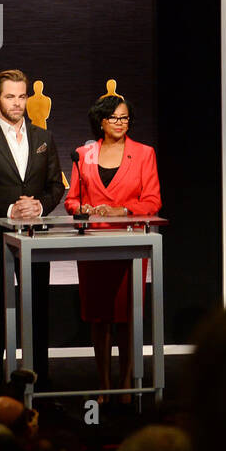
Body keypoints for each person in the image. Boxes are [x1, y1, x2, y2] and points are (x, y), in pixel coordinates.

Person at [0, 69, 64, 392]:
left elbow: (55, 187)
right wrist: (9, 211)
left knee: (37, 314)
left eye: (22, 96)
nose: (17, 103)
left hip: (37, 239)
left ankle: (39, 386)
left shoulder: (44, 139)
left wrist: (39, 207)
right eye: (10, 96)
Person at [63, 94, 161, 403]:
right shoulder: (84, 154)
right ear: (101, 122)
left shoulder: (144, 153)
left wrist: (124, 211)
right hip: (94, 245)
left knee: (127, 316)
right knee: (99, 317)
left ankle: (127, 386)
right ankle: (104, 386)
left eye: (125, 118)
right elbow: (71, 201)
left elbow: (153, 201)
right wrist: (86, 208)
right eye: (115, 118)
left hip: (130, 244)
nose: (121, 123)